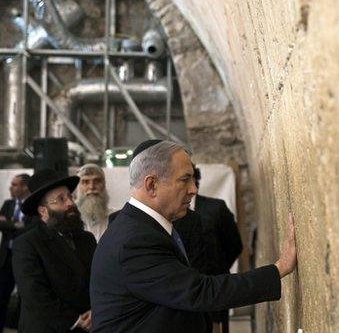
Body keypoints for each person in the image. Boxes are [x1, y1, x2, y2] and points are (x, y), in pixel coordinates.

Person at [90, 140, 297, 332]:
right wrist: (279, 269)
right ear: (152, 185)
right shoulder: (134, 240)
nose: (194, 190)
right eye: (185, 180)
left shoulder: (141, 227)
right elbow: (200, 292)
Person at [12, 169, 96, 333]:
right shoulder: (27, 244)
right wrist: (76, 320)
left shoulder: (87, 239)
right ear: (43, 211)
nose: (70, 203)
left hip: (89, 325)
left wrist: (96, 310)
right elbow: (34, 294)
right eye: (61, 199)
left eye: (70, 197)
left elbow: (99, 279)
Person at [192, 166, 244, 333]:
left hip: (213, 288)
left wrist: (217, 269)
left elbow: (234, 245)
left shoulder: (215, 208)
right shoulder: (167, 213)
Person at [0, 173, 30, 330]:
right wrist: (16, 225)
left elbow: (29, 229)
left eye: (14, 184)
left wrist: (8, 223)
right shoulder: (8, 204)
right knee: (2, 295)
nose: (10, 187)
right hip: (6, 257)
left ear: (24, 187)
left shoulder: (32, 206)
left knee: (24, 297)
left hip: (23, 257)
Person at [76, 164, 112, 242]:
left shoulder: (116, 218)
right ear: (78, 186)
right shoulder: (71, 218)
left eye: (97, 181)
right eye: (85, 182)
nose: (91, 187)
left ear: (104, 184)